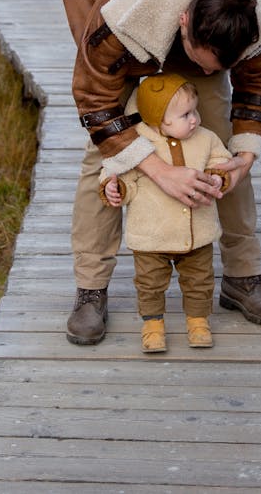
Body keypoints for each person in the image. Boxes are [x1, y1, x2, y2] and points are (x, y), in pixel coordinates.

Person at [27, 0, 261, 346]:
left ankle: (242, 275)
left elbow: (257, 85)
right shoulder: (123, 5)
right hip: (129, 39)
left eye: (221, 67)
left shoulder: (253, 10)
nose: (210, 72)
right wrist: (157, 168)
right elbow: (95, 101)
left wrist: (246, 153)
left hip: (194, 24)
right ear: (184, 21)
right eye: (204, 61)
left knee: (222, 149)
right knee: (100, 163)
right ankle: (91, 289)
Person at [100, 73, 232, 353]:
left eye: (195, 110)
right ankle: (153, 325)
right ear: (158, 119)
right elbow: (117, 172)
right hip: (151, 237)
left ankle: (198, 322)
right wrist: (116, 188)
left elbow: (221, 160)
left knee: (200, 281)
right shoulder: (137, 146)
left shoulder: (206, 139)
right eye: (186, 114)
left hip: (196, 234)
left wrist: (218, 176)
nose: (195, 118)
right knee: (149, 284)